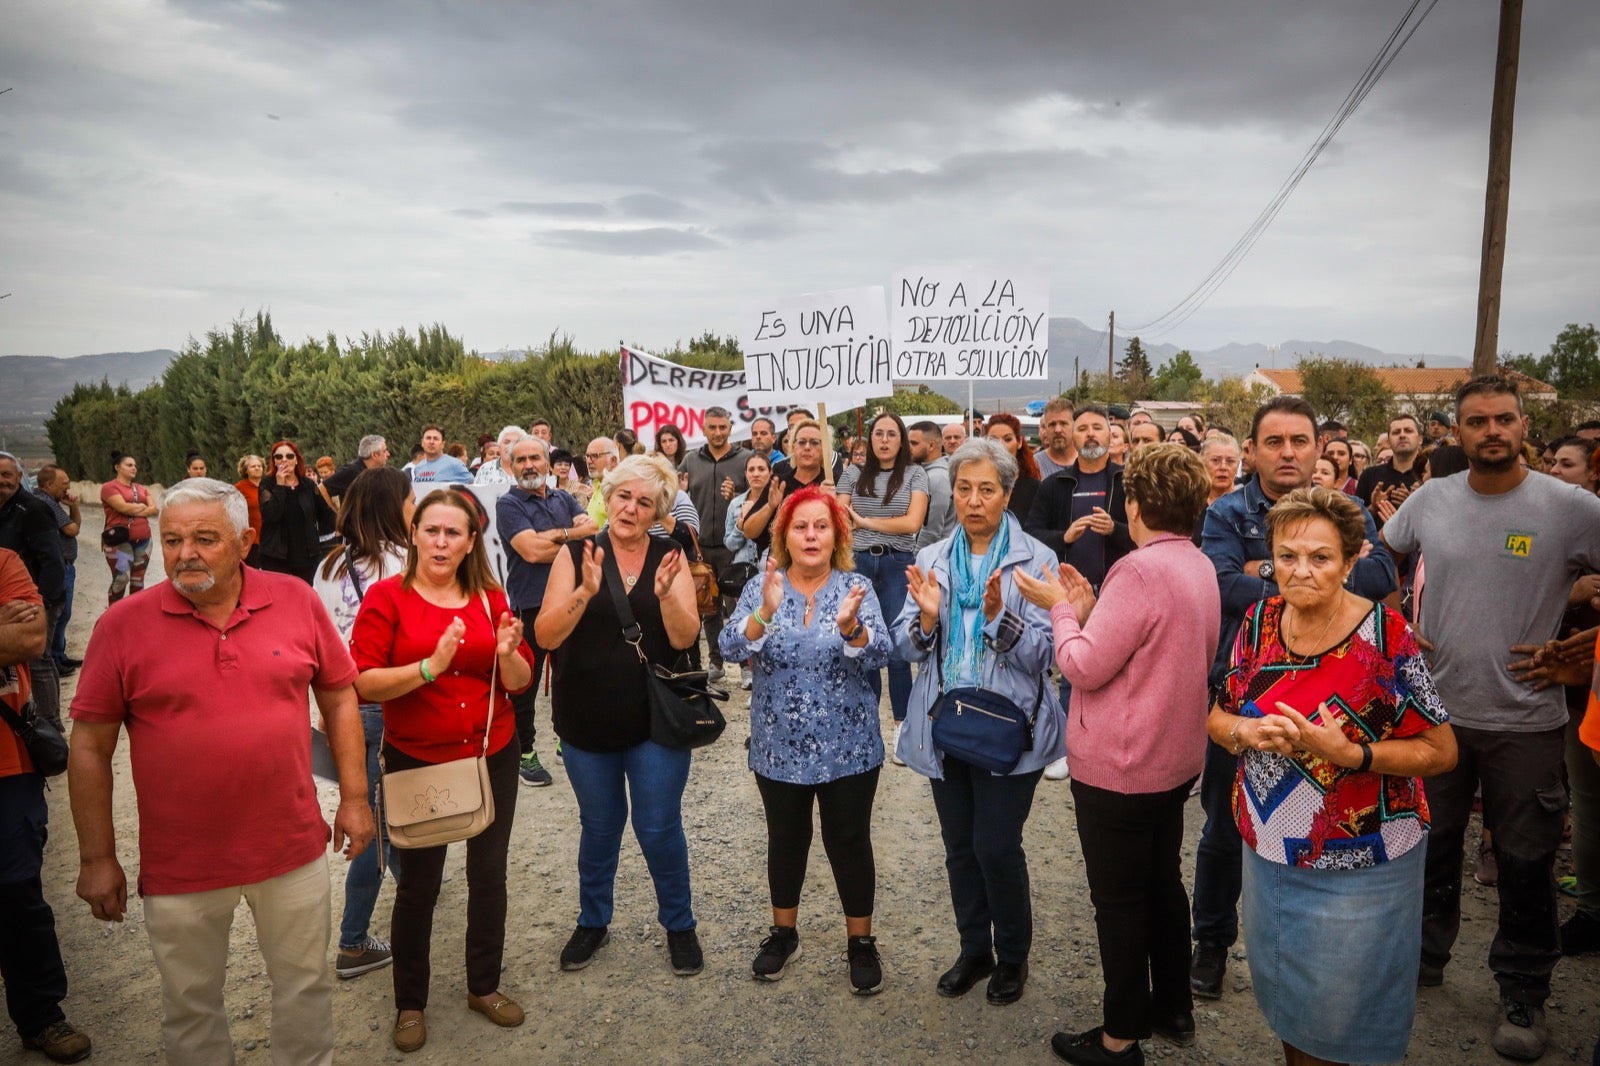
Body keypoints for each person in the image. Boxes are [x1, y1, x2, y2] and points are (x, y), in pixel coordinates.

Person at [70, 478, 372, 1066]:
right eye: (173, 539)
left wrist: (355, 797)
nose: (186, 554)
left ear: (245, 541)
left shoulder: (294, 599)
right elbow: (88, 747)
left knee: (304, 991)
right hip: (182, 863)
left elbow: (339, 697)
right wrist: (96, 857)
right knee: (190, 1007)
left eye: (206, 539)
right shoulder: (122, 626)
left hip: (290, 847)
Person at [1382, 375, 1600, 1060]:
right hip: (1436, 716)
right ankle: (1422, 959)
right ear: (1457, 432)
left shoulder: (1571, 507)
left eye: (1504, 418)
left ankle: (1524, 990)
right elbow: (1382, 557)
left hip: (1527, 721)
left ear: (1524, 424)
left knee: (1527, 859)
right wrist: (1395, 620)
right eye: (1477, 422)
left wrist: (1584, 654)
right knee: (1429, 845)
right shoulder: (1430, 500)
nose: (1492, 431)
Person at [1207, 486, 1455, 1066]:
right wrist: (1244, 733)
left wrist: (1354, 755)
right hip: (1268, 850)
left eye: (1320, 557)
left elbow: (1442, 750)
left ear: (1350, 562)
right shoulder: (1259, 620)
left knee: (1348, 1013)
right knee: (1289, 995)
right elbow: (1217, 715)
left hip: (1361, 864)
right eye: (1287, 556)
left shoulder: (1384, 636)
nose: (1301, 571)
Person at [1016, 445, 1220, 1065]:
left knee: (1121, 902)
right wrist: (1087, 612)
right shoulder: (1197, 564)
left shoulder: (1138, 569)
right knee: (1162, 885)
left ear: (1133, 504)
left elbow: (1082, 665)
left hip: (1122, 763)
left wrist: (1060, 612)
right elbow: (1146, 647)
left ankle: (1120, 1035)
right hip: (1171, 757)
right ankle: (1174, 1008)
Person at [1190, 397, 1396, 1003]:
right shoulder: (1227, 511)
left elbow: (1383, 574)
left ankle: (1316, 959)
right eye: (1273, 442)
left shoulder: (1353, 508)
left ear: (1318, 447)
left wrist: (1277, 569)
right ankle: (1210, 944)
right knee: (1226, 827)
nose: (1287, 453)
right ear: (1252, 451)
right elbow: (1223, 584)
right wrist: (1320, 570)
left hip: (1343, 699)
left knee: (1332, 823)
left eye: (1298, 441)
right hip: (1248, 692)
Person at [351, 486, 535, 1053]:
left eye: (453, 532)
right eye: (432, 529)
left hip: (489, 752)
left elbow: (520, 682)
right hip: (419, 758)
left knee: (489, 874)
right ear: (413, 534)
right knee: (419, 887)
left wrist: (506, 654)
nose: (441, 541)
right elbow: (362, 680)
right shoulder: (386, 598)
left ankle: (484, 985)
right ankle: (411, 1002)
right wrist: (429, 668)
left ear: (471, 540)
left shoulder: (489, 597)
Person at [893, 438, 1066, 1007]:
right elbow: (906, 647)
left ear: (1007, 493)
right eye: (963, 488)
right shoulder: (932, 558)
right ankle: (974, 949)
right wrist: (924, 619)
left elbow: (1048, 657)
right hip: (947, 726)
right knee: (959, 848)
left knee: (996, 845)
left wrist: (1000, 620)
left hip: (1009, 730)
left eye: (986, 489)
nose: (972, 501)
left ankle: (1012, 955)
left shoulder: (1037, 561)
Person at [533, 455, 705, 978]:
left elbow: (684, 638)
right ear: (608, 496)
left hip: (655, 719)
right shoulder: (577, 553)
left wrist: (664, 598)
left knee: (657, 827)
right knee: (601, 826)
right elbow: (545, 636)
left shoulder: (670, 554)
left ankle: (680, 925)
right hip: (585, 717)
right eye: (624, 496)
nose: (631, 508)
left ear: (657, 511)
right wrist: (585, 592)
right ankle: (593, 921)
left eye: (645, 501)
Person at [719, 486, 892, 993]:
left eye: (821, 525)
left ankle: (860, 941)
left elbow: (884, 652)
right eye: (801, 526)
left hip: (850, 747)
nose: (811, 535)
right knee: (786, 840)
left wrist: (852, 629)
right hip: (778, 746)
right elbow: (730, 648)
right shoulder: (761, 585)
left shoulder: (855, 586)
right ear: (785, 535)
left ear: (837, 533)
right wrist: (764, 613)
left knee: (850, 842)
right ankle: (783, 933)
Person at [313, 467, 415, 981]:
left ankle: (417, 893)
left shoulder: (329, 566)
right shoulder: (404, 561)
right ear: (394, 507)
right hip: (389, 700)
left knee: (379, 811)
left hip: (345, 707)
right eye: (411, 499)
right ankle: (353, 943)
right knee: (378, 828)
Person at [0, 548, 92, 1064]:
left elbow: (30, 638)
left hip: (8, 768)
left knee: (18, 898)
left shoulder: (4, 563)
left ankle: (40, 1017)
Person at [496, 437, 597, 787]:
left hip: (569, 599)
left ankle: (564, 738)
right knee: (526, 681)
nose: (529, 465)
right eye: (521, 459)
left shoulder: (563, 496)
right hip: (531, 602)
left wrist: (555, 536)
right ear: (511, 465)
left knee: (573, 673)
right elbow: (531, 553)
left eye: (535, 457)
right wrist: (572, 536)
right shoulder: (508, 504)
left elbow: (593, 532)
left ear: (546, 461)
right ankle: (524, 752)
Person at [837, 413, 929, 746]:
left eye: (892, 434)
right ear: (870, 439)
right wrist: (838, 505)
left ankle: (901, 726)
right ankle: (866, 720)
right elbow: (841, 519)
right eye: (879, 433)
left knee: (897, 650)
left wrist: (865, 521)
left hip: (897, 563)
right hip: (857, 564)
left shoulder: (915, 474)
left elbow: (912, 523)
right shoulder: (852, 473)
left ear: (901, 440)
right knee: (863, 643)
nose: (885, 439)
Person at [681, 407, 751, 683]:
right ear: (704, 428)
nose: (718, 432)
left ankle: (746, 665)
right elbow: (679, 493)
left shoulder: (745, 459)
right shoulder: (690, 460)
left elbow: (757, 495)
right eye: (713, 427)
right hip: (700, 547)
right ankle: (716, 662)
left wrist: (738, 495)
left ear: (730, 428)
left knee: (738, 607)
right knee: (708, 607)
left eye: (723, 427)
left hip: (735, 546)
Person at [257, 440, 336, 584]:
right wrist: (280, 485)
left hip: (307, 556)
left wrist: (348, 524)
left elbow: (325, 514)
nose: (284, 460)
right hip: (277, 557)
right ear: (274, 461)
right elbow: (271, 515)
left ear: (296, 460)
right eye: (279, 457)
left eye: (289, 456)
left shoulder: (307, 484)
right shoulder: (267, 484)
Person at [29, 465, 81, 674]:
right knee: (57, 614)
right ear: (49, 485)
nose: (68, 487)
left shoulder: (52, 501)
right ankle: (52, 660)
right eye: (64, 483)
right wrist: (74, 507)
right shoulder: (46, 502)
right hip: (59, 567)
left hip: (65, 565)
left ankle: (59, 655)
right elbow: (72, 529)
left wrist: (72, 507)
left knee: (63, 614)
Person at [99, 451, 157, 605]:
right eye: (129, 465)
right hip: (120, 541)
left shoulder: (141, 488)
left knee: (138, 580)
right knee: (121, 579)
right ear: (117, 467)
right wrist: (142, 507)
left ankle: (134, 616)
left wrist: (134, 508)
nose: (134, 468)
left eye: (135, 466)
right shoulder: (109, 487)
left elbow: (154, 509)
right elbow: (122, 507)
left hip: (144, 539)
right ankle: (113, 614)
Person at [985, 413, 1042, 521]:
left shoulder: (1034, 488)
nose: (1000, 445)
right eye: (994, 440)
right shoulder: (976, 484)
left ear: (1019, 442)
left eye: (1007, 439)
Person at [323, 435, 392, 503]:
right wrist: (333, 512)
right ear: (374, 455)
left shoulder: (377, 472)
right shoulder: (352, 471)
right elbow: (322, 489)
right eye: (384, 451)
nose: (388, 454)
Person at [772, 419, 831, 496]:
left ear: (825, 448)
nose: (807, 447)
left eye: (815, 442)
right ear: (793, 447)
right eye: (801, 442)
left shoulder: (832, 483)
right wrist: (770, 507)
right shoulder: (777, 484)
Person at [1035, 398, 1078, 479]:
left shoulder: (1088, 462)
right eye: (1052, 424)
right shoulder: (1034, 466)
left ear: (1075, 425)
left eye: (1063, 423)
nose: (1057, 430)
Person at [583, 436, 620, 525]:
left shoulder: (619, 488)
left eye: (595, 456)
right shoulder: (597, 485)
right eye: (587, 456)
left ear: (613, 460)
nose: (588, 461)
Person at [234, 453, 266, 557]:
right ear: (246, 470)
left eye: (259, 466)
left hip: (270, 539)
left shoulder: (269, 486)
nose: (257, 468)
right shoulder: (239, 488)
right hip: (251, 541)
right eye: (253, 466)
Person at [1200, 434, 1242, 507]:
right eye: (1215, 460)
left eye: (1230, 461)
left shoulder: (1248, 504)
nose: (1223, 467)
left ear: (1238, 464)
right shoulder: (1191, 502)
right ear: (1203, 463)